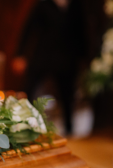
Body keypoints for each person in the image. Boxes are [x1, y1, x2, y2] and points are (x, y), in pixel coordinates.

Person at [13, 0, 92, 135]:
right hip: (43, 56)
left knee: (68, 98)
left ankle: (69, 132)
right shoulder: (43, 4)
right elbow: (29, 29)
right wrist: (20, 55)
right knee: (28, 92)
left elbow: (82, 33)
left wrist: (85, 60)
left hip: (67, 59)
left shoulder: (76, 5)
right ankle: (20, 125)